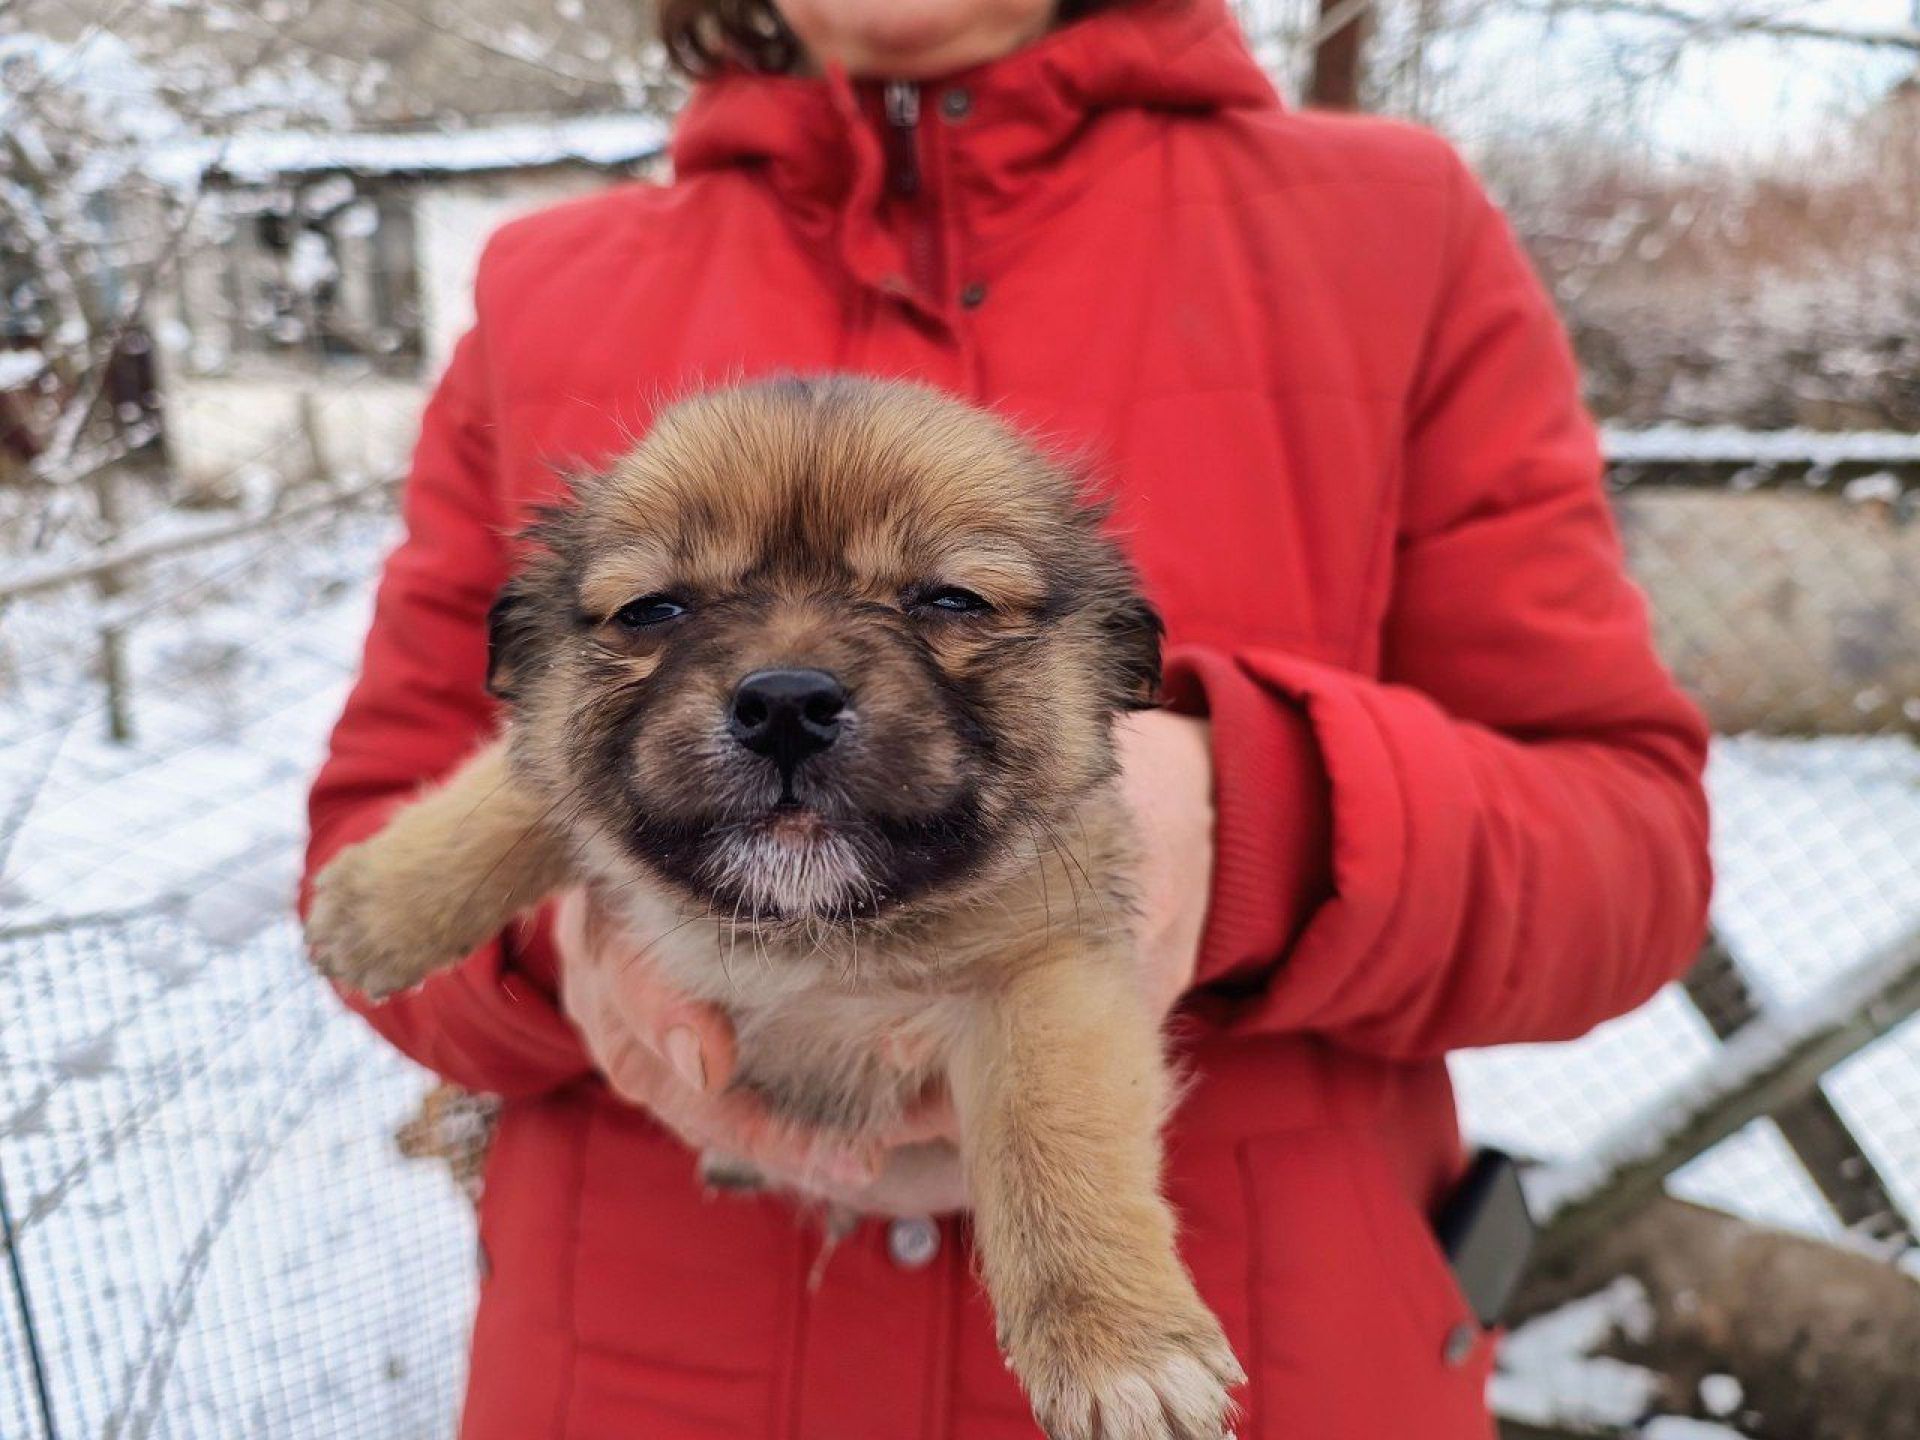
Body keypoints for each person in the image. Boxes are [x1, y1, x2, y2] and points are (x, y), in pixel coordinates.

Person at [302, 0, 1713, 1435]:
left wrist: (1257, 819)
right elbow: (380, 884)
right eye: (657, 609)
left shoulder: (1393, 227)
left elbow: (1633, 860)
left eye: (951, 602)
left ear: (1118, 656)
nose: (784, 684)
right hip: (639, 1374)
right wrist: (569, 962)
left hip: (1288, 1372)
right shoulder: (539, 282)